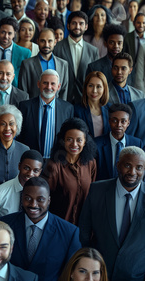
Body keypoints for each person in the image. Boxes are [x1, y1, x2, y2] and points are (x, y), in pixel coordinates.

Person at [79, 146, 145, 280]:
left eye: (139, 167)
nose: (132, 172)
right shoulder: (97, 190)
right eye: (127, 165)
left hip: (136, 276)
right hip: (100, 274)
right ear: (118, 165)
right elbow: (84, 233)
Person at [0, 177, 82, 281]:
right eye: (28, 198)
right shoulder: (4, 225)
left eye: (40, 200)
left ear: (49, 201)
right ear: (22, 198)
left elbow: (71, 273)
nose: (33, 204)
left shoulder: (70, 233)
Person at [45, 118, 97, 225]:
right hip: (59, 225)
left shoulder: (91, 163)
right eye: (69, 139)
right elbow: (45, 198)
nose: (74, 144)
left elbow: (92, 194)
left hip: (83, 226)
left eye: (79, 140)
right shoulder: (54, 165)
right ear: (63, 140)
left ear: (85, 141)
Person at [17, 69, 74, 159]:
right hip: (30, 161)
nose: (49, 87)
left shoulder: (67, 108)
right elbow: (20, 136)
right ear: (38, 84)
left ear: (58, 87)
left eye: (53, 84)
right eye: (45, 83)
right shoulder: (25, 106)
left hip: (56, 163)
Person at [53, 11, 100, 104]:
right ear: (68, 26)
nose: (77, 27)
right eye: (74, 23)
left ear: (86, 26)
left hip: (85, 99)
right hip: (62, 97)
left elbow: (95, 77)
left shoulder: (93, 51)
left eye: (81, 24)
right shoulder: (57, 47)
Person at [0, 150, 44, 220]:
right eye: (26, 168)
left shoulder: (42, 194)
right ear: (19, 166)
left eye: (35, 171)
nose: (30, 174)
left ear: (40, 172)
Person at [94, 103, 143, 180]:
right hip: (104, 189)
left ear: (128, 123)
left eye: (123, 121)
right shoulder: (97, 144)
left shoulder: (137, 143)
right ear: (109, 121)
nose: (119, 125)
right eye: (114, 120)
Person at [18, 28, 70, 100]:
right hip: (33, 108)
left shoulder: (63, 65)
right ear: (37, 42)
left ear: (55, 42)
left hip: (56, 108)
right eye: (43, 41)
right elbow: (23, 91)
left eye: (50, 41)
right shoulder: (27, 64)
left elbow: (64, 91)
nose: (46, 44)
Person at [0, 17, 31, 87]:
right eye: (3, 32)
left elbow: (26, 79)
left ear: (14, 34)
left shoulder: (25, 53)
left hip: (14, 93)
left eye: (9, 33)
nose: (6, 36)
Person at [74, 71, 111, 138]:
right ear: (85, 87)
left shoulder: (111, 109)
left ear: (104, 89)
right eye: (90, 86)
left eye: (98, 86)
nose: (94, 90)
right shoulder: (76, 110)